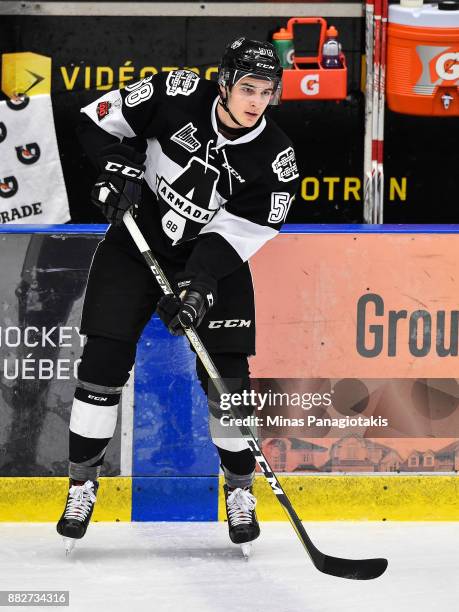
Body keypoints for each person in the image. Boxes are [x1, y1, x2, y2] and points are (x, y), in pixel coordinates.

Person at [56, 37, 299, 553]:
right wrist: (113, 165)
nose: (257, 101)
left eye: (267, 92)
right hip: (134, 245)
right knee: (102, 362)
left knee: (227, 380)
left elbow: (240, 234)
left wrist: (199, 287)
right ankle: (81, 485)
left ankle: (238, 490)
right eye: (248, 89)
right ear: (225, 83)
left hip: (212, 265)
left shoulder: (275, 158)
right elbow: (94, 118)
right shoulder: (174, 93)